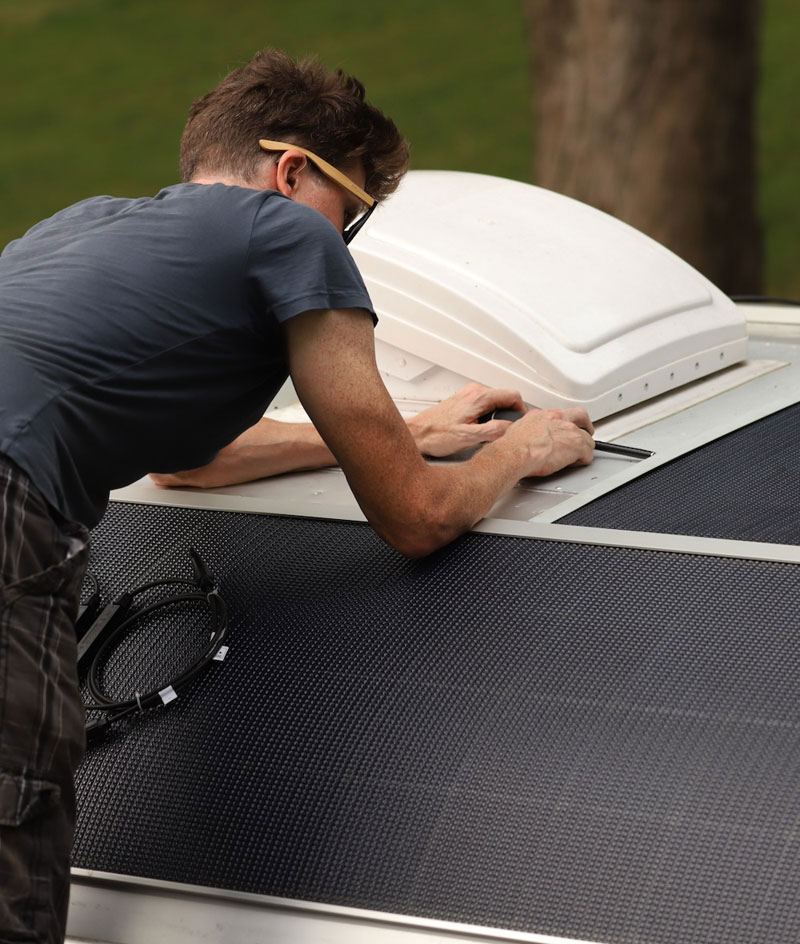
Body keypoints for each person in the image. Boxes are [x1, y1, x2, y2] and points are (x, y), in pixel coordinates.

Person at [0, 48, 594, 943]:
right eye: (350, 219)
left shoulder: (81, 226)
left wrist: (409, 430)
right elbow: (415, 517)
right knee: (14, 815)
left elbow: (186, 465)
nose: (341, 244)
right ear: (290, 172)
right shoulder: (288, 233)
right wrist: (518, 450)